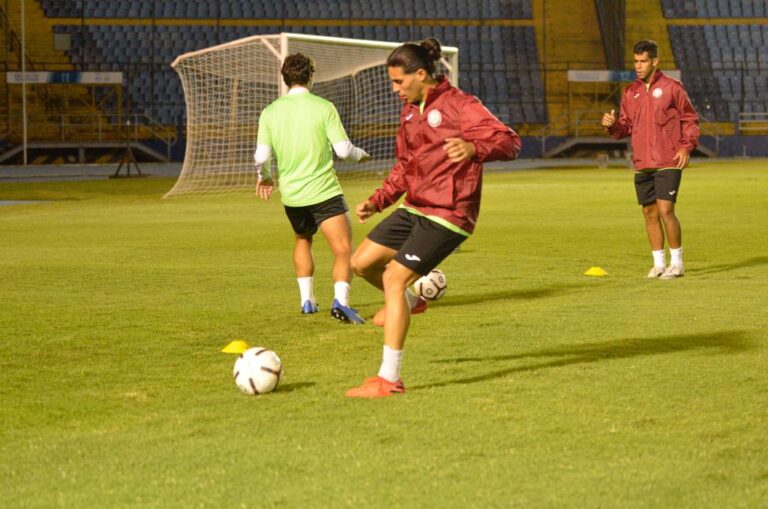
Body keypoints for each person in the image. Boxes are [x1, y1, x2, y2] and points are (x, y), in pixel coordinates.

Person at [345, 38, 521, 398]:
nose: (395, 89)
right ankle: (413, 301)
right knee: (361, 263)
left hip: (450, 213)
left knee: (394, 278)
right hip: (415, 206)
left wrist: (474, 148)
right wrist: (377, 202)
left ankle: (389, 379)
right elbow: (406, 167)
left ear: (421, 74)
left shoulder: (460, 105)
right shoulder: (410, 112)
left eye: (398, 82)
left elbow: (509, 141)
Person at [254, 53, 369, 324]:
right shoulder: (323, 107)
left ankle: (307, 300)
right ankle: (341, 302)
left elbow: (261, 157)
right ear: (311, 76)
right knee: (342, 249)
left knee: (303, 240)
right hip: (324, 191)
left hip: (292, 196)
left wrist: (265, 177)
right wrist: (362, 154)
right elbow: (343, 150)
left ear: (285, 79)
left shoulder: (270, 112)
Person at [602, 39, 699, 279]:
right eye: (636, 61)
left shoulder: (673, 87)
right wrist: (613, 125)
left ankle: (677, 263)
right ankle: (658, 264)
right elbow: (625, 127)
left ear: (655, 61)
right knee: (649, 213)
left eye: (643, 61)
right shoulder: (630, 92)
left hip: (668, 159)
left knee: (666, 209)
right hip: (642, 162)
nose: (638, 66)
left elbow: (690, 119)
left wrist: (686, 148)